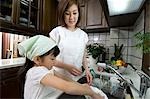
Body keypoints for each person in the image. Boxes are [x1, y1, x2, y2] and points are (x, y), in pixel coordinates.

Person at [17, 35, 105, 99]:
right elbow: (67, 87)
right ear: (37, 59)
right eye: (52, 59)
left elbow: (68, 80)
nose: (55, 62)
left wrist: (83, 87)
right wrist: (92, 93)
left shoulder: (48, 70)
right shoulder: (35, 72)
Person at [49, 0, 92, 85]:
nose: (71, 17)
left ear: (79, 13)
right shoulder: (56, 32)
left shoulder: (83, 35)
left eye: (75, 13)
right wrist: (67, 67)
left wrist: (87, 70)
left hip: (76, 80)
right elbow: (48, 59)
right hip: (58, 79)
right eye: (67, 13)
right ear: (62, 14)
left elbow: (83, 56)